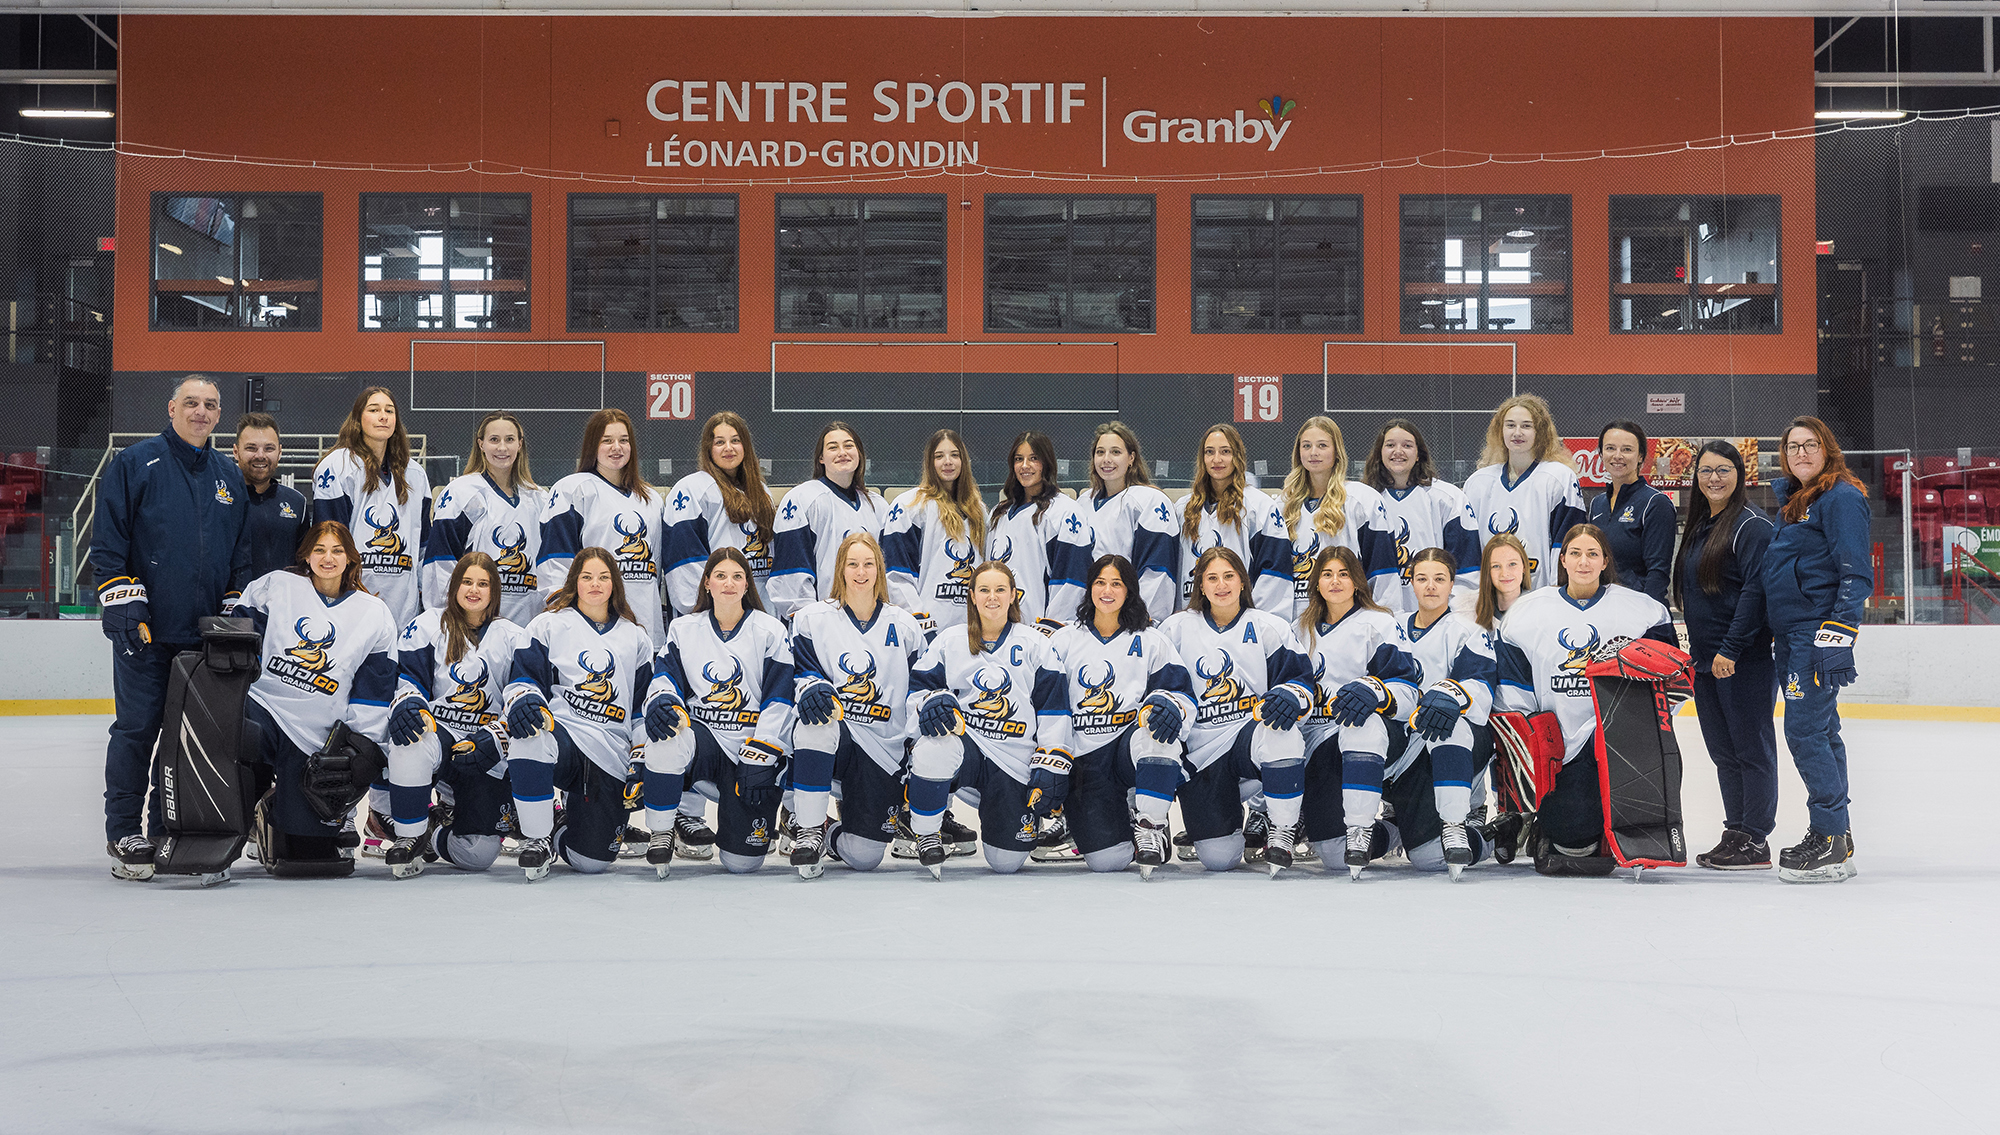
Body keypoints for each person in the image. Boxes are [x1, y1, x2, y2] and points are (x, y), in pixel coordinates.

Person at [92, 375, 252, 880]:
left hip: (201, 636)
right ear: (172, 407)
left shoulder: (229, 475)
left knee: (181, 738)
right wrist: (122, 605)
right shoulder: (134, 463)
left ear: (219, 414)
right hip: (146, 630)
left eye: (210, 405)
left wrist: (230, 613)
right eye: (191, 403)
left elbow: (238, 558)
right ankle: (123, 829)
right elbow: (108, 539)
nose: (201, 412)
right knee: (137, 730)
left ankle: (166, 828)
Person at [1494, 523, 1677, 876]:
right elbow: (1513, 687)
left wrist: (1640, 727)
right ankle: (1546, 825)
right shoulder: (1527, 612)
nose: (1583, 561)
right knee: (1573, 840)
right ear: (1562, 560)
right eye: (1575, 553)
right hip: (1558, 745)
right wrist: (1534, 735)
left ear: (1605, 560)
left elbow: (1669, 678)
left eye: (1592, 553)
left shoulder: (1642, 610)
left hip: (1616, 741)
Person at [236, 521, 399, 877]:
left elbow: (376, 687)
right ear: (306, 555)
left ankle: (276, 815)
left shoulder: (373, 612)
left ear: (351, 558)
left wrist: (358, 745)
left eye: (337, 551)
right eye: (320, 549)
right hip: (262, 710)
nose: (328, 558)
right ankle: (243, 815)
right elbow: (239, 638)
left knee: (307, 858)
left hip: (316, 738)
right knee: (229, 747)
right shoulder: (276, 586)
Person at [905, 560, 1075, 876]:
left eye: (1000, 590)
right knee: (933, 744)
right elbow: (917, 694)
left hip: (1014, 760)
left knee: (1006, 862)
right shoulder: (949, 641)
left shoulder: (1036, 643)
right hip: (966, 749)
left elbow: (1054, 709)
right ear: (971, 595)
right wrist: (929, 705)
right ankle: (927, 833)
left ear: (1013, 595)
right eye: (984, 590)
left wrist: (1051, 760)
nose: (991, 597)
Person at [1152, 547, 1315, 873]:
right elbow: (1157, 686)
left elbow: (1301, 683)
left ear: (1243, 581)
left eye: (1229, 576)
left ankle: (1281, 828)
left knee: (1282, 729)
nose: (1221, 585)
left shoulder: (1270, 627)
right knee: (1219, 860)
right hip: (1201, 755)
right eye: (1212, 578)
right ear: (1199, 585)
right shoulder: (1175, 629)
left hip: (1248, 739)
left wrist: (1291, 695)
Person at [636, 547, 795, 876]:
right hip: (705, 743)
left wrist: (764, 748)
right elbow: (665, 678)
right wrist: (661, 701)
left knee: (742, 864)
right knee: (665, 736)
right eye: (720, 576)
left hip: (751, 751)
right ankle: (663, 830)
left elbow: (779, 696)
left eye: (737, 576)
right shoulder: (685, 628)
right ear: (707, 583)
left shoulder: (770, 630)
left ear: (747, 585)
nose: (728, 583)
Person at [502, 547, 657, 880]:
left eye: (603, 577)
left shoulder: (636, 637)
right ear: (574, 581)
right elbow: (523, 681)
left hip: (611, 749)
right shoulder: (548, 625)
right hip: (565, 736)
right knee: (530, 736)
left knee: (592, 862)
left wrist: (641, 753)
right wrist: (523, 699)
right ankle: (537, 838)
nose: (595, 584)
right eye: (587, 577)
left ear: (615, 583)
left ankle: (559, 828)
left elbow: (642, 707)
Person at [1764, 416, 1871, 884]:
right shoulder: (1797, 503)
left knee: (1805, 733)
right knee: (1823, 732)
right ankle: (1838, 835)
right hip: (1790, 634)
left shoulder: (1842, 497)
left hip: (1814, 631)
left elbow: (1856, 575)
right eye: (1792, 447)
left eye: (1810, 445)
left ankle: (1828, 837)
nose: (1801, 453)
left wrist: (1837, 635)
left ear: (1827, 449)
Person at [787, 533, 928, 877]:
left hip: (883, 748)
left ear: (879, 570)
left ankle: (830, 831)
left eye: (868, 564)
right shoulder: (813, 619)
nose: (860, 572)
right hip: (840, 735)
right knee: (815, 722)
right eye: (852, 564)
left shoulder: (905, 625)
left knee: (864, 857)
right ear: (840, 570)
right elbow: (801, 673)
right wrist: (811, 689)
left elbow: (921, 688)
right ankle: (807, 827)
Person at [1046, 555, 1197, 874]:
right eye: (1100, 582)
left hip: (1130, 748)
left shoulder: (1151, 640)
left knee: (1159, 729)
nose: (1107, 591)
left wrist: (1171, 704)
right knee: (1107, 861)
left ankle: (1151, 824)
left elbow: (1182, 695)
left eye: (1116, 583)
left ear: (1130, 590)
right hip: (1086, 761)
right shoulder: (1063, 641)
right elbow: (1046, 707)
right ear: (1089, 589)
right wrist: (1051, 762)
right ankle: (1125, 813)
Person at [384, 551, 530, 877]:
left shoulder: (514, 637)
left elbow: (524, 693)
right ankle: (409, 837)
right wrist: (408, 702)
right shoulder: (427, 625)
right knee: (409, 739)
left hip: (485, 745)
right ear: (454, 586)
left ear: (494, 591)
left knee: (478, 855)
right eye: (466, 582)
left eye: (483, 583)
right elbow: (407, 680)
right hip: (441, 733)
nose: (473, 590)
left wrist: (499, 735)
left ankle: (433, 832)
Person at [1673, 441, 1778, 871]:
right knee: (1723, 752)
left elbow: (1756, 592)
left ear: (1740, 474)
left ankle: (1755, 839)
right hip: (1705, 660)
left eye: (1723, 470)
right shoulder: (1703, 524)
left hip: (1742, 661)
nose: (1713, 478)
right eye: (1705, 471)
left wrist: (1731, 649)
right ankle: (1735, 830)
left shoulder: (1751, 525)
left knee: (1751, 749)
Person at [1292, 547, 1422, 878]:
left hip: (1370, 738)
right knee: (1334, 855)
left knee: (1358, 725)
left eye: (1343, 574)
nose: (1335, 581)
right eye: (1327, 574)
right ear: (1316, 582)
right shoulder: (1297, 629)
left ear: (1357, 581)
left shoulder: (1379, 623)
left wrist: (1377, 692)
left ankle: (1362, 830)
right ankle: (1390, 831)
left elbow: (1408, 692)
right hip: (1315, 743)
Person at [1390, 549, 1503, 879]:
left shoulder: (1469, 630)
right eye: (1422, 578)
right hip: (1409, 743)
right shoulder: (1392, 626)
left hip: (1458, 741)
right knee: (1425, 855)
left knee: (1447, 722)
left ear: (1452, 584)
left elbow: (1480, 684)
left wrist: (1450, 695)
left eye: (1439, 579)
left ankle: (1476, 832)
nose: (1430, 587)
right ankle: (1392, 826)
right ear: (1410, 582)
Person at [539, 408, 668, 644]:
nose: (616, 448)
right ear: (592, 445)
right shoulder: (573, 489)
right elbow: (554, 559)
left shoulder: (651, 499)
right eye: (607, 440)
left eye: (623, 440)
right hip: (589, 627)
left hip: (646, 627)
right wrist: (564, 613)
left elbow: (656, 568)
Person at [312, 385, 431, 626]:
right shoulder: (338, 466)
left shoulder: (416, 474)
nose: (383, 416)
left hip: (403, 602)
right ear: (358, 418)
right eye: (374, 409)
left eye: (389, 410)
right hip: (352, 596)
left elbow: (424, 544)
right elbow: (327, 538)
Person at [424, 411, 550, 627]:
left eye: (509, 440)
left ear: (520, 444)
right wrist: (449, 616)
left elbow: (550, 564)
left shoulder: (539, 498)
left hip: (529, 624)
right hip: (476, 624)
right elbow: (440, 560)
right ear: (481, 444)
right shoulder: (462, 492)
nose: (502, 448)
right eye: (494, 440)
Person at [1277, 416, 1400, 618]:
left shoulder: (1363, 500)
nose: (1313, 452)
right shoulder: (1283, 505)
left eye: (1322, 445)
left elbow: (1382, 571)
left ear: (1337, 452)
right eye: (1306, 446)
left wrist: (1385, 617)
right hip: (1296, 621)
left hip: (1350, 618)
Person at [1463, 394, 1586, 592]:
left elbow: (1566, 543)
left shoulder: (1558, 477)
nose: (1517, 432)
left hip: (1541, 594)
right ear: (1499, 430)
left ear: (1540, 432)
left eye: (1527, 426)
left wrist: (1559, 592)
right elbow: (1468, 548)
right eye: (1510, 425)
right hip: (1491, 596)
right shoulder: (1478, 482)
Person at [769, 421, 889, 620]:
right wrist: (809, 623)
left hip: (870, 622)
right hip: (823, 623)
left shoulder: (878, 506)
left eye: (849, 445)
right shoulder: (802, 499)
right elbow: (791, 573)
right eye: (833, 447)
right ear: (821, 458)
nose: (842, 452)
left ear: (859, 453)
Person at [663, 411, 777, 615]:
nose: (728, 448)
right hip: (713, 614)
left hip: (759, 612)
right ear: (708, 448)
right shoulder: (692, 489)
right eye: (719, 442)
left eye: (735, 440)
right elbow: (684, 560)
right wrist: (701, 609)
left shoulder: (761, 491)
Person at [1364, 418, 1482, 612]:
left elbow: (1467, 569)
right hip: (1380, 616)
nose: (1398, 451)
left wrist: (1449, 613)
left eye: (1407, 445)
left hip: (1435, 617)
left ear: (1418, 454)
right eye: (1390, 445)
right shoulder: (1365, 501)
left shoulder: (1448, 498)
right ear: (1380, 453)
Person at [1178, 423, 1293, 615]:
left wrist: (1259, 619)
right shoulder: (1183, 508)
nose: (1217, 459)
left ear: (1237, 456)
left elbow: (1275, 571)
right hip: (1194, 618)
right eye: (1209, 452)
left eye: (1225, 451)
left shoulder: (1258, 506)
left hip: (1242, 619)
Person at [988, 430, 1096, 634]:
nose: (1025, 466)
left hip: (1040, 633)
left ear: (1046, 463)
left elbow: (1071, 581)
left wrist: (1052, 627)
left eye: (1034, 459)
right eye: (1019, 459)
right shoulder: (998, 513)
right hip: (998, 628)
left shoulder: (1065, 512)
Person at [882, 428, 987, 633]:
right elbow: (896, 574)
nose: (948, 461)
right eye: (939, 456)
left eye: (954, 455)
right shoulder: (910, 506)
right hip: (928, 628)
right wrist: (919, 621)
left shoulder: (980, 511)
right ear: (930, 463)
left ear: (964, 461)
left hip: (973, 628)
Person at [1078, 422, 1180, 623]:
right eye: (1100, 452)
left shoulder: (1149, 500)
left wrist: (1141, 618)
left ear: (1131, 458)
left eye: (1115, 452)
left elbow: (1158, 570)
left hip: (1131, 620)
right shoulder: (1082, 504)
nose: (1106, 459)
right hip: (1093, 617)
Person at [1586, 419, 1676, 604]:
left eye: (1627, 449)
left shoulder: (1655, 503)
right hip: (1602, 609)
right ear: (1601, 454)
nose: (1617, 456)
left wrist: (1647, 615)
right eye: (1610, 448)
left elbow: (1657, 572)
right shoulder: (1597, 504)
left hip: (1638, 612)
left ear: (1641, 456)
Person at [233, 411, 310, 584]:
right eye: (251, 448)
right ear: (236, 451)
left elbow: (305, 563)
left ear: (280, 452)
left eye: (269, 448)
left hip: (283, 604)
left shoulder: (297, 503)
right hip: (233, 604)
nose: (260, 455)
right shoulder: (223, 500)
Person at [1467, 532, 1534, 634]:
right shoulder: (1471, 612)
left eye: (1512, 564)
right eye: (1496, 566)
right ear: (1487, 571)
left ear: (1524, 566)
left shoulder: (1537, 609)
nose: (1505, 573)